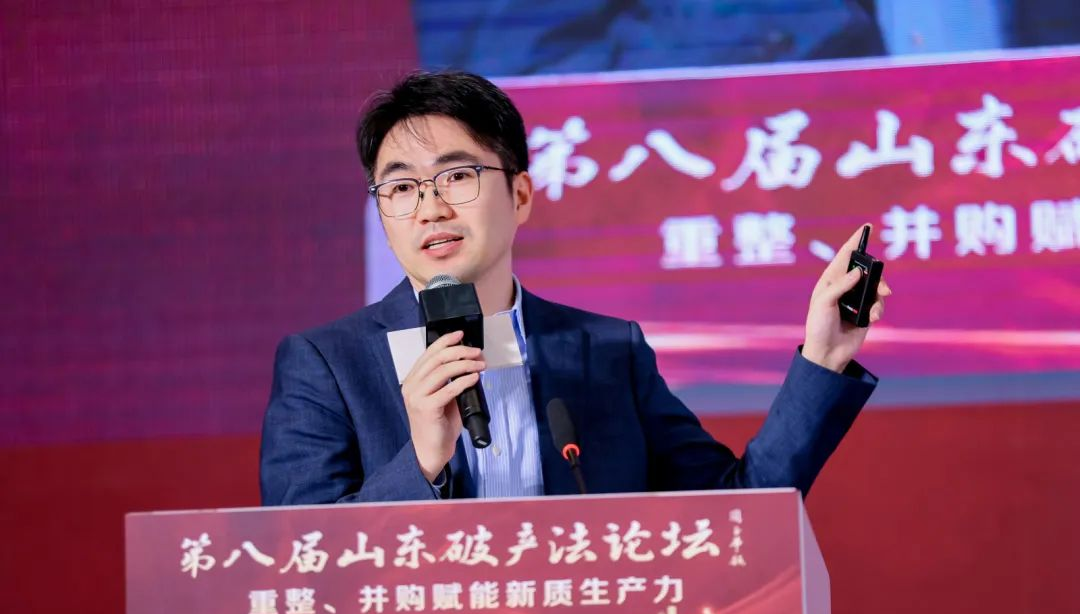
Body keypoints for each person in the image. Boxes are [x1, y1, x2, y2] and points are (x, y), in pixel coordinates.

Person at [259, 70, 891, 505]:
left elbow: (741, 511)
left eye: (456, 176)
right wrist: (421, 462)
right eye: (400, 188)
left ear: (520, 195)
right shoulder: (328, 364)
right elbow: (298, 567)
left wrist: (823, 357)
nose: (430, 208)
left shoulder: (607, 352)